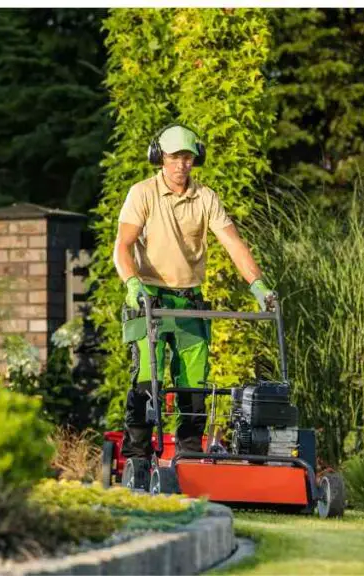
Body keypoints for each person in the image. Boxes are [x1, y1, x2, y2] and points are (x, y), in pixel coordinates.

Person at [113, 123, 276, 466]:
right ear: (160, 158)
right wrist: (131, 281)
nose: (180, 165)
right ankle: (137, 459)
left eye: (187, 157)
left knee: (194, 387)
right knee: (147, 381)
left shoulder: (205, 197)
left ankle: (187, 458)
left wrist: (257, 285)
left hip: (190, 302)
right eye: (174, 157)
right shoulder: (141, 193)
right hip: (150, 299)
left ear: (195, 159)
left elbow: (233, 242)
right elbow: (122, 246)